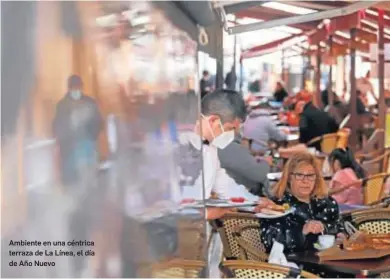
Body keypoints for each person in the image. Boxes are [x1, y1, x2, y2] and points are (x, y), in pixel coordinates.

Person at [179, 89, 269, 219]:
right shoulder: (178, 144)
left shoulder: (211, 148)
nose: (232, 135)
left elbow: (224, 185)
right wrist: (204, 214)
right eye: (230, 128)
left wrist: (255, 202)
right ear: (213, 121)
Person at [257, 152, 345, 254]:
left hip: (330, 261)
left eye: (310, 175)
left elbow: (341, 226)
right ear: (289, 178)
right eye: (299, 175)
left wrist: (341, 235)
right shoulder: (276, 205)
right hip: (292, 266)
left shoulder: (327, 203)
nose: (305, 181)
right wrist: (302, 231)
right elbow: (270, 241)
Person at [53, 75, 102, 187]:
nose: (76, 91)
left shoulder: (90, 103)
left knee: (89, 179)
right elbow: (58, 127)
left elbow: (98, 122)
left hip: (88, 145)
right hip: (71, 149)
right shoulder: (62, 106)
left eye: (78, 88)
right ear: (69, 89)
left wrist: (92, 135)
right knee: (75, 182)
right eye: (74, 88)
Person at [218, 124, 272, 197]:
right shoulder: (230, 147)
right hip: (242, 196)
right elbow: (258, 174)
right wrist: (266, 163)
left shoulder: (225, 144)